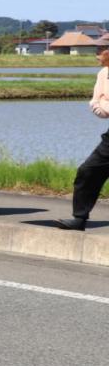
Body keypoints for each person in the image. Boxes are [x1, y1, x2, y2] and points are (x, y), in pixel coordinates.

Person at [54, 44, 109, 231]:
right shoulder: (103, 74)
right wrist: (103, 104)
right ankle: (79, 218)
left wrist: (104, 103)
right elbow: (96, 105)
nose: (96, 56)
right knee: (88, 171)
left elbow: (102, 104)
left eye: (100, 51)